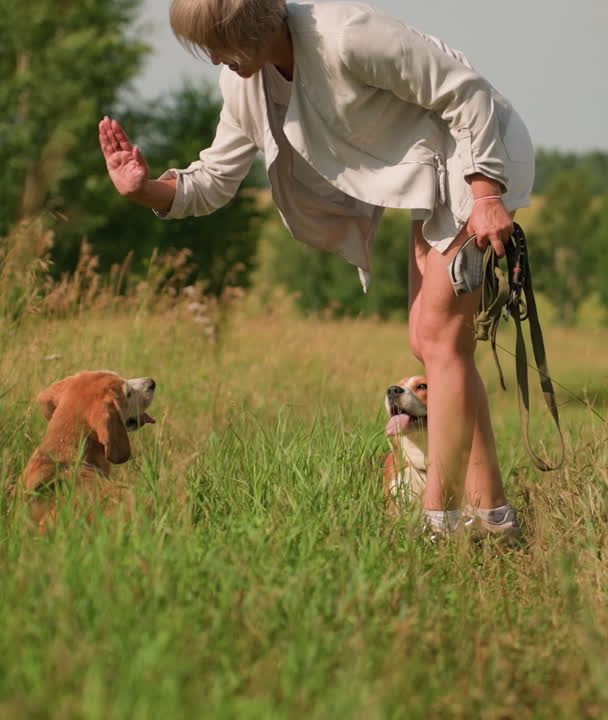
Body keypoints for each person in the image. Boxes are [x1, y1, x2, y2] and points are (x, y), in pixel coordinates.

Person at [97, 0, 535, 539]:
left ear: (251, 26)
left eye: (218, 42)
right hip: (436, 178)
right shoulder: (246, 83)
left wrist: (488, 189)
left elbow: (466, 92)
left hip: (480, 157)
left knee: (441, 340)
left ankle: (438, 520)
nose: (213, 58)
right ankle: (492, 515)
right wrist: (145, 190)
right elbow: (212, 180)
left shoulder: (347, 36)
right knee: (430, 343)